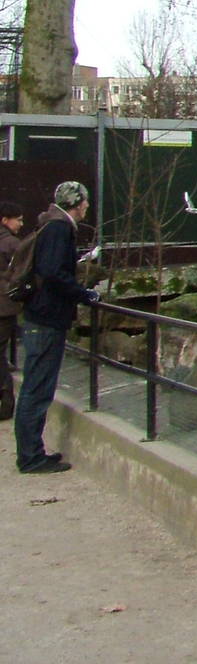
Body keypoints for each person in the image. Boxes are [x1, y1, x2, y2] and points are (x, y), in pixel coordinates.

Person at [13, 181, 100, 474]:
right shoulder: (59, 229)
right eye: (86, 201)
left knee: (34, 386)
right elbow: (53, 272)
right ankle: (30, 456)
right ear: (78, 203)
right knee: (37, 389)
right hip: (47, 318)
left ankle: (31, 452)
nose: (88, 206)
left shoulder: (49, 225)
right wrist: (82, 293)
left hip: (39, 316)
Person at [0, 198, 23, 420]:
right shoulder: (12, 244)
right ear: (5, 220)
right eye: (18, 220)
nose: (20, 224)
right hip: (5, 306)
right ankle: (6, 403)